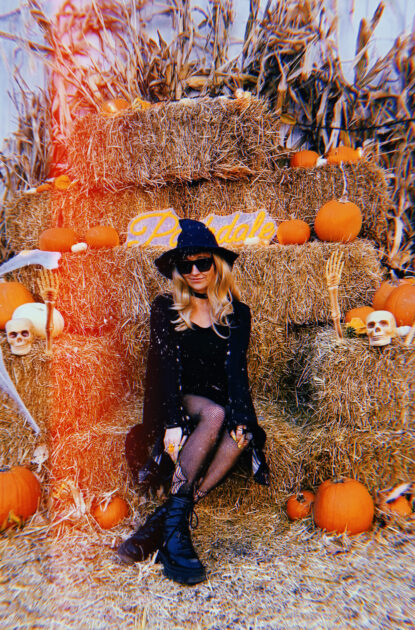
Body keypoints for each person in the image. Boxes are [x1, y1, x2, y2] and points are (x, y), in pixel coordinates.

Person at [118, 218, 269, 585]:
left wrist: (243, 418)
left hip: (219, 396)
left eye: (203, 262)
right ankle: (175, 535)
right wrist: (171, 422)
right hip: (181, 396)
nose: (196, 271)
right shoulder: (166, 308)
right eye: (187, 266)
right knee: (214, 414)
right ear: (178, 272)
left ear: (217, 265)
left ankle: (168, 521)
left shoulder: (238, 313)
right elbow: (164, 369)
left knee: (242, 435)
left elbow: (237, 372)